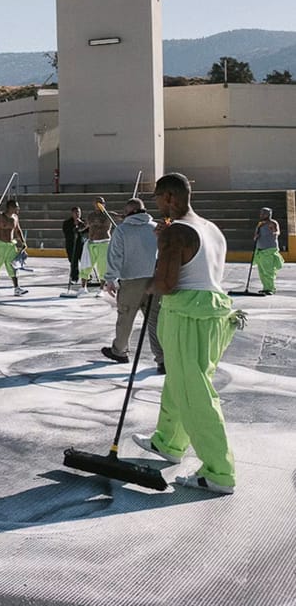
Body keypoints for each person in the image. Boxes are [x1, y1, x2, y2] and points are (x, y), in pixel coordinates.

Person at [132, 172, 242, 494]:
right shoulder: (210, 228)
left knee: (195, 393)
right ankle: (168, 442)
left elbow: (166, 284)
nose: (155, 204)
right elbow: (201, 269)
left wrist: (141, 288)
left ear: (169, 198)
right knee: (181, 380)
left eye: (156, 198)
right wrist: (162, 242)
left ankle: (219, 472)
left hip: (186, 315)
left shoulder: (175, 233)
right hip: (213, 314)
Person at [101, 198, 164, 372]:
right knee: (155, 321)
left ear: (127, 213)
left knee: (125, 319)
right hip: (154, 281)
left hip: (131, 282)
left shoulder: (122, 230)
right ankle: (162, 358)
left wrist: (110, 279)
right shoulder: (156, 228)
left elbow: (114, 256)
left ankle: (120, 351)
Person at [0, 199, 29, 295]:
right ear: (9, 207)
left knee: (13, 266)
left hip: (10, 245)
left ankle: (16, 288)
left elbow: (18, 230)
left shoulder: (15, 217)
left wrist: (23, 242)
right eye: (15, 207)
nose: (18, 209)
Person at [84, 198, 114, 288]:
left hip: (104, 242)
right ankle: (83, 287)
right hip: (92, 242)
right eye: (96, 202)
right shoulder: (90, 216)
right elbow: (85, 226)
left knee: (103, 267)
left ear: (104, 204)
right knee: (86, 265)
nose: (98, 204)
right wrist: (78, 228)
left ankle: (101, 288)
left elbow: (120, 216)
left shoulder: (109, 215)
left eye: (101, 203)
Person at [253, 207, 283, 295]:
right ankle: (265, 288)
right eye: (261, 213)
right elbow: (255, 236)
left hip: (268, 250)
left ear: (269, 214)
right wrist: (256, 236)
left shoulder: (273, 223)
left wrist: (274, 232)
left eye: (263, 213)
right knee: (262, 271)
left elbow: (277, 232)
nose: (261, 215)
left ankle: (270, 288)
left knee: (269, 271)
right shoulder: (260, 224)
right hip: (260, 250)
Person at [62, 207, 88, 293]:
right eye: (76, 213)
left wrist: (80, 225)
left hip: (81, 245)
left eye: (79, 212)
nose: (78, 214)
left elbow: (87, 230)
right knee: (73, 262)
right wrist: (74, 228)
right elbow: (66, 232)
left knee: (84, 261)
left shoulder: (84, 222)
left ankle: (87, 276)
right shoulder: (67, 223)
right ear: (72, 213)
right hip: (71, 245)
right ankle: (74, 277)